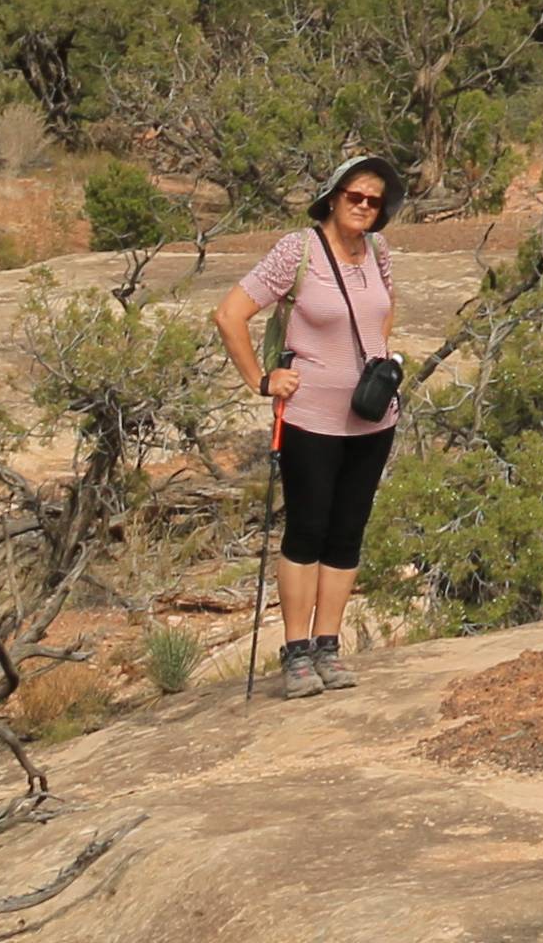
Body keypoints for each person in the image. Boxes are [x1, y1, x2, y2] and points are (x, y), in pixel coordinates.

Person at [213, 152, 405, 697]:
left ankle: (329, 645)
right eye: (356, 197)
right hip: (309, 418)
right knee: (307, 531)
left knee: (347, 533)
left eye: (375, 200)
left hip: (372, 418)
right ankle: (296, 653)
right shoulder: (296, 251)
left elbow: (386, 307)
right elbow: (230, 315)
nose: (365, 207)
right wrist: (263, 378)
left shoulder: (379, 252)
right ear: (332, 197)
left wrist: (380, 356)